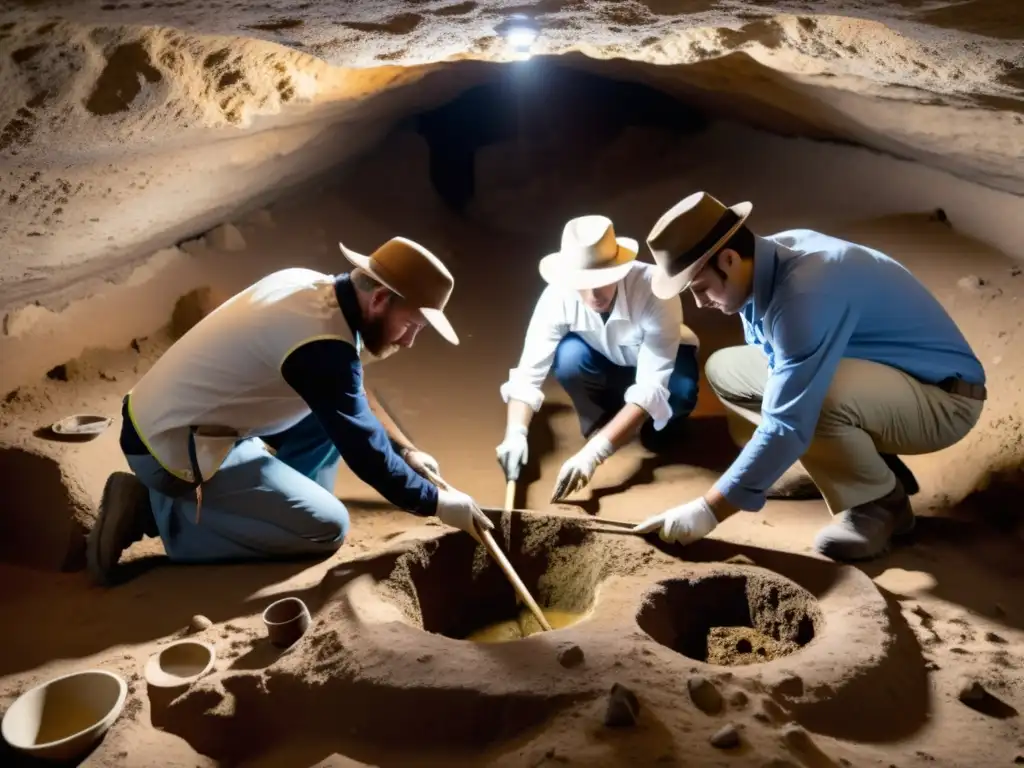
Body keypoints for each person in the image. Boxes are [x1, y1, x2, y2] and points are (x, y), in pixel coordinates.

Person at [88, 236, 493, 585]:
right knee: (326, 528)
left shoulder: (310, 286)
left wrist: (407, 451)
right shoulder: (321, 347)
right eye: (413, 325)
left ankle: (273, 509)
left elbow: (352, 396)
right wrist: (436, 504)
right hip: (171, 454)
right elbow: (365, 451)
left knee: (328, 423)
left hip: (175, 420)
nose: (408, 342)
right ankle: (150, 511)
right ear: (381, 298)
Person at [634, 192, 986, 561]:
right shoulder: (764, 264)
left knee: (812, 400)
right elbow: (776, 369)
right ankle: (849, 466)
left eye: (701, 287)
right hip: (887, 383)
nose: (700, 302)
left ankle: (881, 504)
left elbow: (788, 419)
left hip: (944, 401)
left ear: (729, 258)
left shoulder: (805, 289)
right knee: (726, 369)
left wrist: (708, 510)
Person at [496, 214, 701, 503]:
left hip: (662, 363)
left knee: (678, 395)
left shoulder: (655, 287)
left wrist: (595, 455)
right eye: (583, 282)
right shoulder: (557, 294)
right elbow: (528, 373)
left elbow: (651, 385)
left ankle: (660, 427)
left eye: (603, 279)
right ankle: (603, 421)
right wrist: (515, 432)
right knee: (569, 357)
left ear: (620, 269)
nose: (594, 294)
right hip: (604, 359)